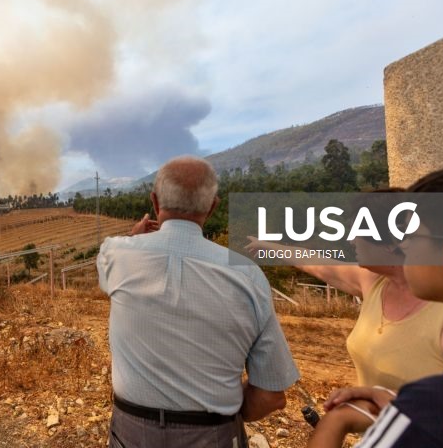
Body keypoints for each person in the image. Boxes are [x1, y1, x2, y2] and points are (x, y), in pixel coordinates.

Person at [97, 156, 299, 448]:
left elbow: (107, 274)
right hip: (213, 435)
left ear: (155, 202)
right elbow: (270, 396)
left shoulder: (115, 254)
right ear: (213, 206)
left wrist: (131, 239)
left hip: (131, 433)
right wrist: (220, 413)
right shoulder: (248, 275)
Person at [307, 160, 443, 447]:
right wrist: (399, 404)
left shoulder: (433, 399)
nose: (406, 245)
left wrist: (338, 420)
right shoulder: (375, 284)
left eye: (413, 237)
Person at [244, 189, 443, 390]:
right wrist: (266, 247)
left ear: (391, 241)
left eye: (357, 231)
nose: (351, 240)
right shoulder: (375, 282)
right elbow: (313, 262)